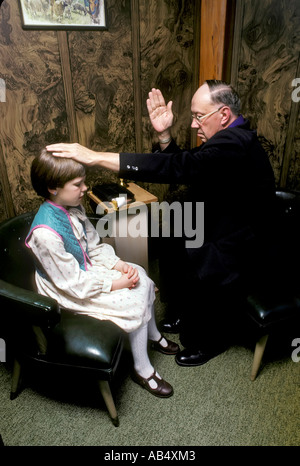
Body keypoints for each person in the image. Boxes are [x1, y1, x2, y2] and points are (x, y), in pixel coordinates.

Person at [46, 80, 276, 367]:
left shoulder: (236, 142)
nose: (193, 125)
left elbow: (180, 167)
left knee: (201, 259)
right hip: (215, 219)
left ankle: (211, 341)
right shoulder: (226, 138)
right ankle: (183, 310)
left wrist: (96, 157)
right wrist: (164, 137)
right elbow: (190, 165)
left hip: (240, 240)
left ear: (224, 115)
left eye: (198, 116)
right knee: (168, 237)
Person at [26, 149, 180, 398]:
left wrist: (118, 265)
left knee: (141, 273)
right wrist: (118, 285)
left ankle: (152, 334)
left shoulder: (70, 207)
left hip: (83, 271)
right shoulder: (45, 234)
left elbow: (93, 246)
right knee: (133, 297)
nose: (85, 188)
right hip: (67, 288)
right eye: (78, 184)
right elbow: (72, 283)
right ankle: (142, 369)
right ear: (53, 187)